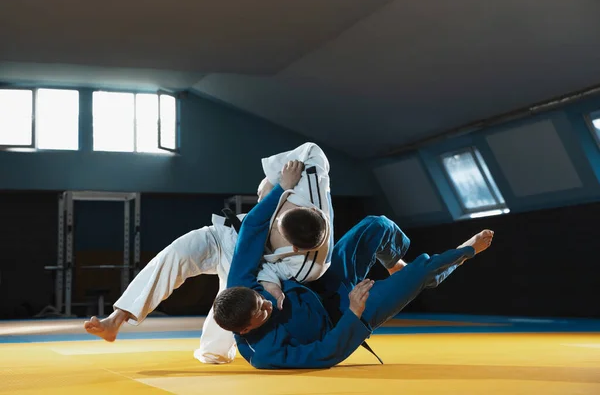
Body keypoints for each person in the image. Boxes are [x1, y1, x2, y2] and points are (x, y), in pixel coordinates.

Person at [83, 142, 352, 364]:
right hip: (226, 236)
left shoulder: (307, 266)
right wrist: (275, 181)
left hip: (248, 266)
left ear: (295, 248)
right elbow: (311, 149)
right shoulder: (310, 188)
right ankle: (116, 319)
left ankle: (216, 351)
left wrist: (272, 286)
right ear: (306, 208)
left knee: (215, 351)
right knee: (176, 254)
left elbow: (266, 273)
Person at [212, 181, 494, 369]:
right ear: (244, 330)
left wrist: (281, 188)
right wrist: (354, 312)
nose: (267, 304)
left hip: (323, 285)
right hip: (346, 316)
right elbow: (327, 352)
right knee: (419, 274)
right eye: (261, 312)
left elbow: (251, 230)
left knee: (376, 225)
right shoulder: (265, 355)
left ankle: (394, 261)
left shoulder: (240, 285)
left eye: (259, 299)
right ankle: (466, 251)